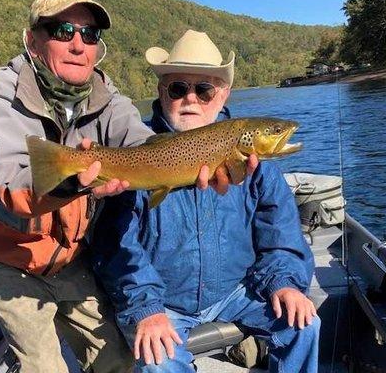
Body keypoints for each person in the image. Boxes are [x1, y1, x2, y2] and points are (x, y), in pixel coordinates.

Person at [0, 0, 233, 373]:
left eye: (90, 34)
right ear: (32, 40)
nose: (78, 45)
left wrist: (191, 168)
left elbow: (143, 144)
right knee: (44, 367)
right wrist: (77, 181)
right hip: (6, 256)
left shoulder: (104, 95)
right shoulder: (2, 96)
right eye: (63, 31)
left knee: (119, 361)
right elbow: (15, 188)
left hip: (69, 255)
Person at [92, 30, 320, 373]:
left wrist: (285, 282)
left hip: (237, 292)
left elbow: (281, 235)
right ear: (161, 91)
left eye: (204, 89)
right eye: (178, 88)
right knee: (158, 361)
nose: (191, 99)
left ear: (223, 93)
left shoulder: (255, 167)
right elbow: (115, 246)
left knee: (305, 323)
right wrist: (145, 308)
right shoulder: (134, 152)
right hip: (162, 302)